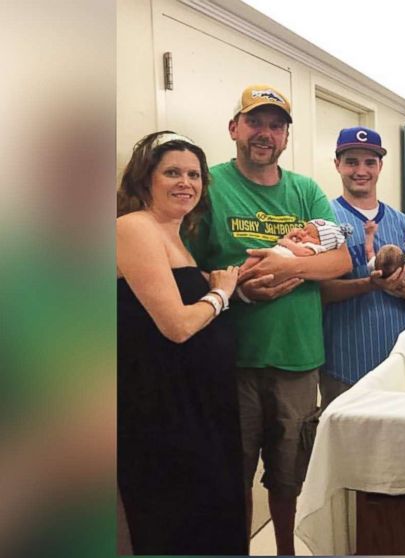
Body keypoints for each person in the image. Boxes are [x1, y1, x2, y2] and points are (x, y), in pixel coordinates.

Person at [186, 85, 351, 556]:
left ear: (285, 137)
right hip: (229, 361)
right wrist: (237, 284)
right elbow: (180, 268)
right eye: (255, 122)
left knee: (289, 477)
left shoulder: (305, 190)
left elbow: (339, 260)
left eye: (276, 126)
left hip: (298, 361)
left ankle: (285, 551)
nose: (265, 133)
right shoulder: (209, 187)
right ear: (234, 128)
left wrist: (288, 267)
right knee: (229, 474)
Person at [117, 131, 247, 554]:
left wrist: (224, 282)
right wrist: (221, 294)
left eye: (194, 174)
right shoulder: (134, 227)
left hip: (201, 405)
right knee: (177, 523)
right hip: (163, 411)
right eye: (172, 172)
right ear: (145, 179)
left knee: (214, 517)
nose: (185, 182)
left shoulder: (177, 236)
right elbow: (176, 325)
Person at [321, 126, 405, 401]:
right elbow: (320, 291)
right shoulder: (324, 218)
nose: (361, 170)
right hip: (343, 360)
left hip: (398, 358)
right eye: (351, 162)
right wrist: (369, 284)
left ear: (380, 166)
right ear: (337, 164)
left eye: (369, 162)